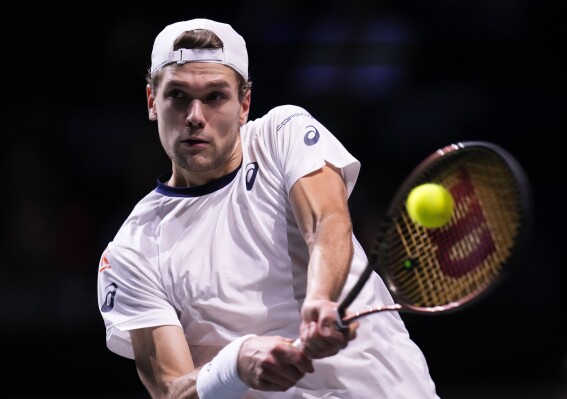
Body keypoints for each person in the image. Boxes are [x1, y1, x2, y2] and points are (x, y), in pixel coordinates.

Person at [97, 18, 440, 399]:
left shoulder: (282, 134)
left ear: (244, 104)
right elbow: (169, 390)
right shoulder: (131, 251)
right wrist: (235, 363)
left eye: (215, 97)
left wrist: (320, 298)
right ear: (151, 102)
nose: (195, 115)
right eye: (178, 95)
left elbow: (327, 220)